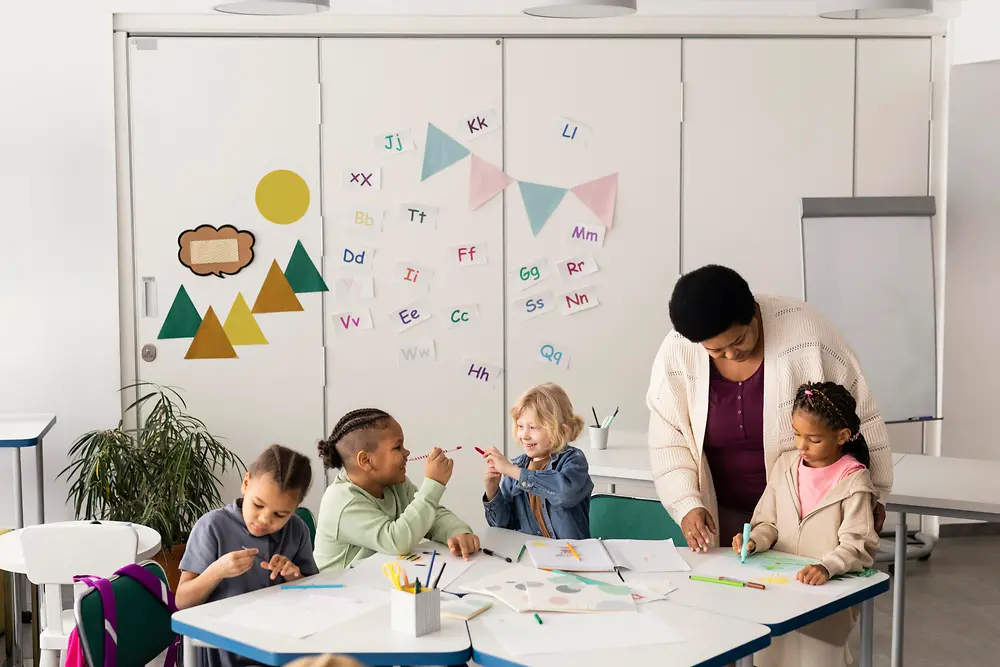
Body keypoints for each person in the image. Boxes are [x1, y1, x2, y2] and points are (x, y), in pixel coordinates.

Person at [646, 264, 891, 551]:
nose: (730, 355)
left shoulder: (807, 335)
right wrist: (686, 503)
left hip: (812, 518)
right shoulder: (678, 351)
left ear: (752, 312)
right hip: (722, 516)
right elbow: (668, 441)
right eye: (715, 350)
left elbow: (862, 418)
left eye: (737, 341)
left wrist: (876, 493)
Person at [733, 382, 879, 667]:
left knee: (817, 660)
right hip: (780, 591)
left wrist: (827, 567)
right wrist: (755, 540)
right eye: (797, 434)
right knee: (771, 657)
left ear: (842, 436)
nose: (801, 446)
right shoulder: (785, 467)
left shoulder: (854, 481)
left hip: (825, 599)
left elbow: (858, 544)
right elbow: (768, 523)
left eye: (813, 439)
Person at [176, 444, 317, 667]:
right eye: (258, 505)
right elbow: (182, 601)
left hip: (280, 646)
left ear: (295, 508)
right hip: (222, 651)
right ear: (245, 483)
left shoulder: (296, 530)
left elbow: (314, 598)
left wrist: (294, 577)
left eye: (280, 514)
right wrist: (216, 571)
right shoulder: (212, 526)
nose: (264, 519)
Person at [313, 408, 481, 571]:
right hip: (341, 593)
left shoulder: (395, 485)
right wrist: (433, 484)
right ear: (366, 460)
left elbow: (431, 515)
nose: (406, 452)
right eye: (397, 447)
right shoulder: (343, 501)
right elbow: (396, 541)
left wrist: (457, 532)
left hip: (377, 584)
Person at [482, 383, 593, 539]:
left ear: (560, 430)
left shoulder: (574, 460)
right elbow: (503, 525)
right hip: (531, 555)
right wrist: (492, 491)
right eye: (520, 426)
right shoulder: (518, 467)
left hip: (570, 557)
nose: (524, 435)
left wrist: (512, 471)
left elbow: (565, 494)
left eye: (533, 427)